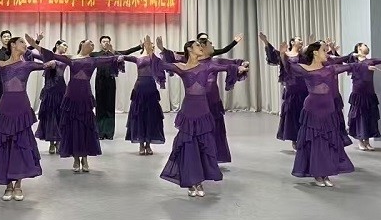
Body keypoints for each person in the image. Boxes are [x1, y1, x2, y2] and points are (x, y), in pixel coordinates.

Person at [284, 42, 381, 187]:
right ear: (315, 53)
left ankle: (326, 173)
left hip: (329, 109)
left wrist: (366, 66)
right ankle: (317, 174)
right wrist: (282, 54)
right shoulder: (304, 68)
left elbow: (352, 66)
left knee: (328, 141)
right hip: (312, 109)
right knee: (315, 141)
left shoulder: (330, 69)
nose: (326, 53)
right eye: (323, 51)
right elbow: (287, 67)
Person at [154, 39, 248, 197]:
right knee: (189, 145)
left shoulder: (208, 66)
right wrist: (153, 52)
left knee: (204, 144)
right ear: (190, 49)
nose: (201, 47)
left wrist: (239, 68)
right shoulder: (181, 67)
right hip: (188, 110)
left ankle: (199, 181)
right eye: (197, 45)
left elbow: (226, 67)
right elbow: (161, 65)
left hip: (203, 109)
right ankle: (191, 181)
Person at [0, 35, 50, 202]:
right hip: (6, 107)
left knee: (21, 144)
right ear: (13, 45)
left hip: (22, 107)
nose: (25, 45)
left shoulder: (28, 65)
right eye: (22, 42)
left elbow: (47, 62)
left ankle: (18, 184)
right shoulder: (1, 65)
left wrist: (38, 48)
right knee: (5, 144)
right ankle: (8, 185)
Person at [31, 36, 123, 173]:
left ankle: (84, 158)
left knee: (85, 126)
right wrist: (35, 45)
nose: (92, 44)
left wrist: (114, 52)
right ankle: (75, 158)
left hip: (85, 96)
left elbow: (115, 59)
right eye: (89, 42)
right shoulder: (71, 58)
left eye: (93, 44)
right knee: (72, 126)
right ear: (82, 44)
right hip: (71, 96)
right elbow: (51, 55)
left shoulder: (94, 60)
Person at [260, 32, 306, 150]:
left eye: (301, 40)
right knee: (292, 112)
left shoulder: (303, 55)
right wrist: (266, 42)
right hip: (291, 87)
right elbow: (273, 56)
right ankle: (294, 138)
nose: (301, 41)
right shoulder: (285, 54)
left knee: (304, 111)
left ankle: (305, 137)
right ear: (292, 42)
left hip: (304, 86)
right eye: (299, 39)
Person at [347, 42, 381, 151]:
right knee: (359, 115)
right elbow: (348, 62)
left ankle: (367, 141)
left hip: (369, 92)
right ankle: (360, 141)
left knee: (369, 116)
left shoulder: (371, 61)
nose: (367, 47)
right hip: (358, 92)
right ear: (359, 48)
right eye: (364, 45)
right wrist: (366, 67)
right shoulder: (354, 61)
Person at [91, 35, 141, 140]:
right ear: (100, 43)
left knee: (110, 106)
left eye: (107, 41)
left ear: (110, 43)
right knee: (100, 107)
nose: (106, 43)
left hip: (110, 81)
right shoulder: (95, 54)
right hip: (99, 81)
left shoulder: (114, 54)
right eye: (104, 41)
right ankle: (100, 132)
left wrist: (139, 47)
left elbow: (127, 52)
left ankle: (109, 132)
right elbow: (82, 56)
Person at [123, 36, 166, 155]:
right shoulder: (138, 58)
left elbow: (160, 63)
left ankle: (148, 143)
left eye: (151, 44)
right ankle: (141, 144)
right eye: (149, 43)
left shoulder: (155, 58)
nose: (151, 45)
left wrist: (153, 50)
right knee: (139, 115)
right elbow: (124, 56)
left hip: (151, 87)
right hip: (140, 88)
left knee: (150, 116)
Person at [35, 39, 68, 155]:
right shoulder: (48, 57)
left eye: (67, 46)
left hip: (61, 89)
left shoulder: (65, 58)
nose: (66, 47)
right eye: (64, 45)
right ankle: (51, 142)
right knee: (50, 115)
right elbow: (33, 54)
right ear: (57, 45)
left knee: (60, 115)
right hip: (49, 90)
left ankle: (59, 142)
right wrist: (36, 42)